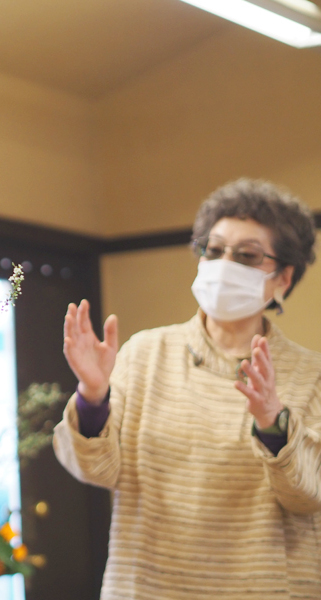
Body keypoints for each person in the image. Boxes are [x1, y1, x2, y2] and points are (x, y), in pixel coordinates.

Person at [53, 178, 321, 599]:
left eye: (246, 255)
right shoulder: (145, 353)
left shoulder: (310, 374)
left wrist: (274, 423)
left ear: (282, 278)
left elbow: (309, 496)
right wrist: (92, 396)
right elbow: (96, 470)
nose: (223, 264)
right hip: (147, 585)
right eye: (213, 250)